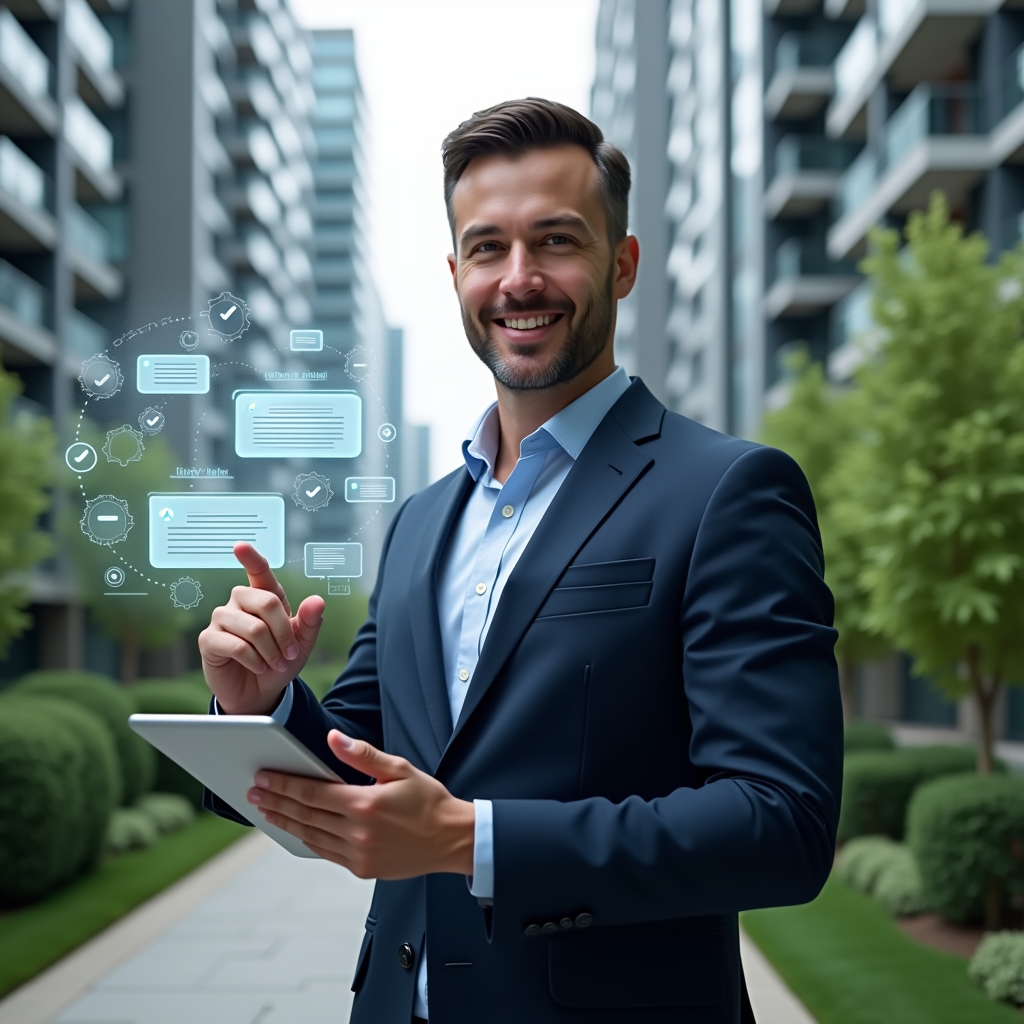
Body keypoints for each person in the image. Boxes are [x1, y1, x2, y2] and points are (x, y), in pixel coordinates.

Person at [199, 97, 843, 1024]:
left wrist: (471, 839)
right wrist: (255, 704)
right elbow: (354, 774)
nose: (520, 278)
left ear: (621, 266)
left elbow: (781, 826)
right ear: (456, 270)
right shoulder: (422, 520)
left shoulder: (730, 491)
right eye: (489, 247)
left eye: (556, 241)